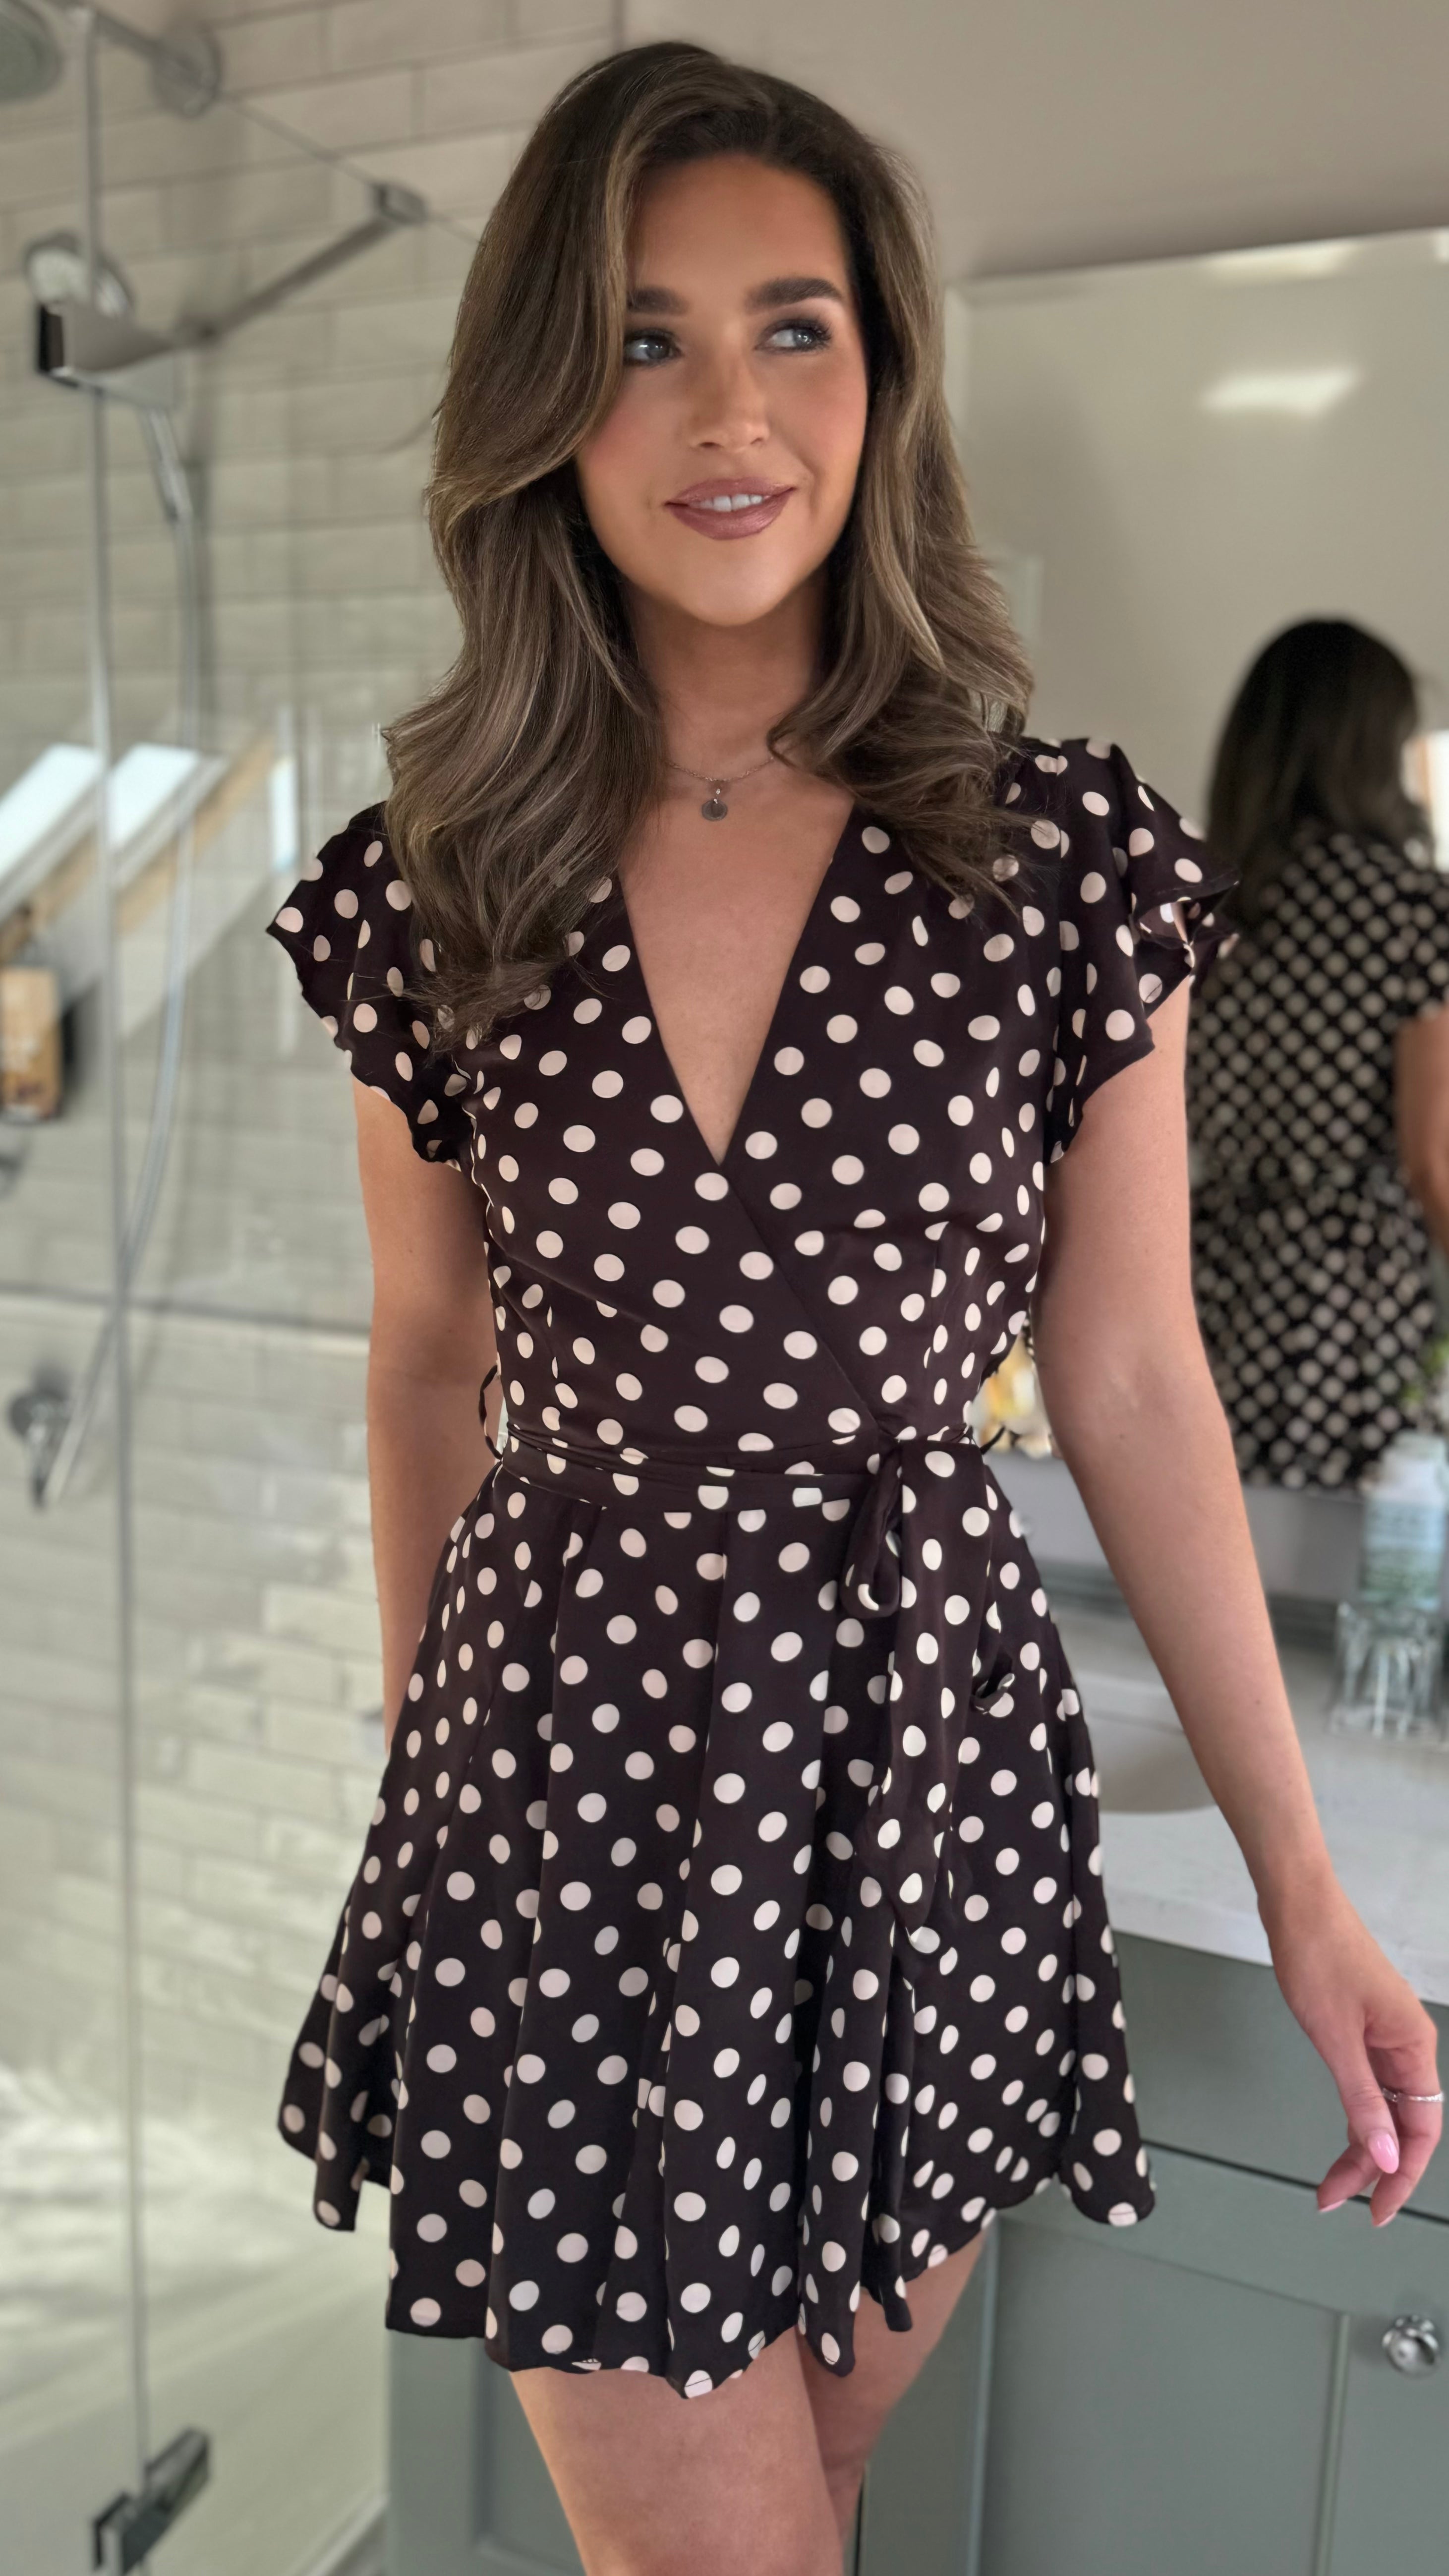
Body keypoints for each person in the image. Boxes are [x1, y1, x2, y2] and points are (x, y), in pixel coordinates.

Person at [267, 49, 1442, 2576]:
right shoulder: (438, 880)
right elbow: (428, 1359)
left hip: (926, 1787)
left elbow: (1130, 1377)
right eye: (642, 338)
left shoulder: (1055, 862)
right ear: (542, 402)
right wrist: (423, 1772)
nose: (729, 411)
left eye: (789, 328)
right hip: (569, 1790)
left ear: (883, 375)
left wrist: (1299, 1880)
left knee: (804, 2495)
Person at [1188, 618, 1449, 1490]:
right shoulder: (1415, 911)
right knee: (1352, 1548)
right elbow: (1434, 1158)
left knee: (1212, 1518)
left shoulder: (1202, 910)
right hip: (1350, 1288)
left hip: (1210, 1269)